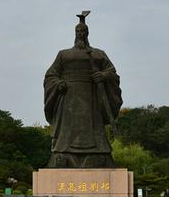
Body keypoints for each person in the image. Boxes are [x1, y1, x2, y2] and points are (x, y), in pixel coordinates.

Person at [44, 12, 122, 168]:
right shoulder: (64, 55)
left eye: (83, 32)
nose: (80, 34)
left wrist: (103, 75)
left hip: (91, 96)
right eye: (78, 32)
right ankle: (62, 152)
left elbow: (112, 71)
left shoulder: (98, 54)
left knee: (93, 126)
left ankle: (99, 152)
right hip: (69, 97)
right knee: (68, 129)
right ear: (75, 33)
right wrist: (58, 83)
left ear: (87, 33)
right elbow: (50, 75)